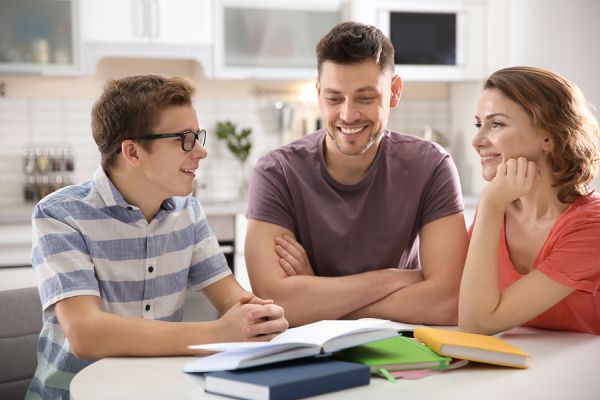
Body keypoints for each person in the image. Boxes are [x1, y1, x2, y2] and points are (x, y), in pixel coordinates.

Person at [26, 75, 288, 399]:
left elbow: (232, 297)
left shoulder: (187, 212)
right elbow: (85, 333)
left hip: (156, 390)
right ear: (133, 152)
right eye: (184, 139)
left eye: (197, 136)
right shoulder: (60, 215)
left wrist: (260, 316)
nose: (201, 151)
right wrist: (217, 333)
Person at [244, 21, 469, 327]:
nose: (348, 115)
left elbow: (448, 301)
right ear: (319, 93)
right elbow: (277, 301)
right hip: (308, 353)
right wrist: (392, 279)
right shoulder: (276, 173)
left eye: (365, 98)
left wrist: (319, 303)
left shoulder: (431, 166)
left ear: (394, 92)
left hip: (404, 347)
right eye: (334, 98)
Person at [459, 66, 600, 335]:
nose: (477, 140)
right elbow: (453, 297)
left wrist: (489, 206)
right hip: (521, 365)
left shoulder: (592, 227)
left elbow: (475, 323)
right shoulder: (499, 209)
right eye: (479, 124)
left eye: (496, 124)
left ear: (548, 136)